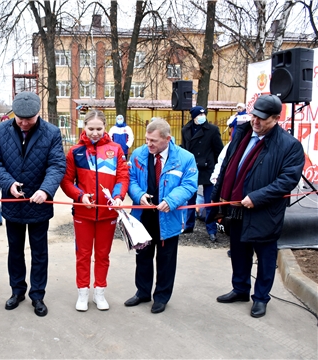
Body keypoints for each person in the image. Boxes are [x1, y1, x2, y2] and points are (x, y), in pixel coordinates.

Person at [208, 94, 305, 318]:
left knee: (265, 258)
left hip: (264, 212)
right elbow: (226, 168)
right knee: (239, 253)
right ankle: (240, 289)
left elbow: (286, 180)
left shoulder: (289, 146)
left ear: (276, 118)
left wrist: (257, 197)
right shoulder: (241, 134)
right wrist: (217, 199)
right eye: (254, 116)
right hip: (236, 208)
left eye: (263, 119)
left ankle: (261, 298)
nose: (256, 122)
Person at [0, 91, 66, 317]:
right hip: (13, 204)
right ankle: (17, 290)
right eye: (20, 118)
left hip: (39, 204)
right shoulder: (1, 131)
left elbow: (57, 165)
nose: (23, 123)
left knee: (39, 252)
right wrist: (9, 183)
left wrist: (45, 189)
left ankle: (38, 295)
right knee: (15, 251)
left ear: (37, 114)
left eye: (28, 119)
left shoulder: (51, 132)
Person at [125, 118, 197, 314]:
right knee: (143, 256)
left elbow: (189, 185)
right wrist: (138, 195)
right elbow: (130, 179)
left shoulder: (185, 158)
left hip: (169, 216)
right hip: (143, 215)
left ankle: (162, 297)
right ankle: (142, 292)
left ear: (167, 139)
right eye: (147, 139)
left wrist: (172, 201)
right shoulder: (139, 154)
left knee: (166, 259)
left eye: (153, 141)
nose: (148, 144)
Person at [60, 110, 129, 312]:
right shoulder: (75, 152)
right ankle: (82, 292)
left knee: (103, 255)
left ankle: (99, 292)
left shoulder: (115, 149)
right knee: (82, 255)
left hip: (107, 213)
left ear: (105, 128)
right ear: (84, 128)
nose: (95, 133)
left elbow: (122, 178)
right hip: (83, 213)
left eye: (99, 128)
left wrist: (117, 197)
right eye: (91, 128)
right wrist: (80, 196)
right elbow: (66, 181)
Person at [181, 106, 224, 241]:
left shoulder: (212, 130)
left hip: (208, 169)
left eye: (204, 113)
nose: (202, 116)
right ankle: (189, 225)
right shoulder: (185, 129)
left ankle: (211, 230)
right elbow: (184, 149)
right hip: (191, 168)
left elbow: (219, 151)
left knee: (209, 200)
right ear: (193, 116)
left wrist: (218, 168)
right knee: (190, 199)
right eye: (199, 114)